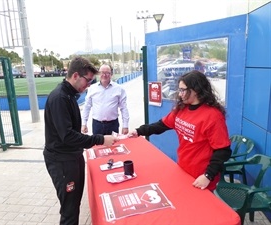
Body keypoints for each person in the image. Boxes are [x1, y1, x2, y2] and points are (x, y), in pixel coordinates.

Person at [43, 56, 119, 225]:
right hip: (62, 161)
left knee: (74, 204)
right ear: (76, 75)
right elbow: (67, 135)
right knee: (69, 210)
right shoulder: (60, 98)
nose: (89, 85)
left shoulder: (70, 95)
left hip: (73, 157)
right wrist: (99, 139)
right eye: (88, 80)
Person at [129, 70, 232, 191]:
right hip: (183, 168)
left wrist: (208, 175)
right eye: (179, 90)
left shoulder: (213, 116)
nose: (180, 94)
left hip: (201, 177)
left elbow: (222, 150)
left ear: (196, 90)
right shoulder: (181, 109)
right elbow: (161, 125)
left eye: (183, 90)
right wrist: (139, 131)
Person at [81, 63, 130, 135]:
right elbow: (87, 107)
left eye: (107, 73)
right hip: (97, 125)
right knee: (98, 146)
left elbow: (124, 108)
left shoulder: (119, 89)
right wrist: (84, 123)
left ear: (111, 74)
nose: (104, 75)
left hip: (113, 125)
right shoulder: (92, 88)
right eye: (102, 72)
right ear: (98, 74)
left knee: (114, 145)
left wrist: (125, 125)